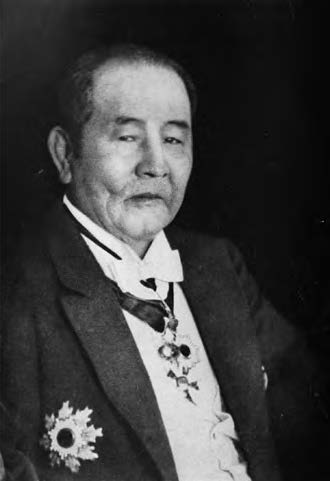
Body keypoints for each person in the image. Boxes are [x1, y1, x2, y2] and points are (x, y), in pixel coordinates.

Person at [0, 44, 327, 481]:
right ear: (64, 154)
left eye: (173, 139)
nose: (156, 165)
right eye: (128, 137)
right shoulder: (17, 295)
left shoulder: (217, 265)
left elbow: (308, 405)